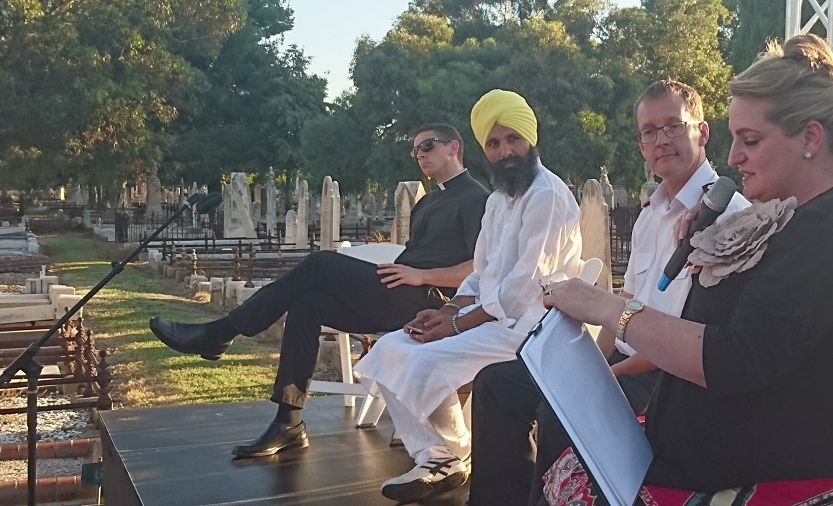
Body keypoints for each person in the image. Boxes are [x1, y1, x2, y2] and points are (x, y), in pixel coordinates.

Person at [540, 34, 833, 504]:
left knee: (573, 479)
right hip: (692, 444)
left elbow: (734, 357)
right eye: (735, 139)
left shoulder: (821, 232)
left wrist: (606, 305)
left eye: (751, 140)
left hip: (750, 468)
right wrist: (714, 252)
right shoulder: (786, 217)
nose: (734, 158)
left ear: (811, 139)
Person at [465, 80, 750, 506]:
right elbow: (625, 306)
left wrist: (602, 378)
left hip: (668, 374)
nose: (661, 140)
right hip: (624, 355)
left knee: (559, 414)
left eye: (673, 126)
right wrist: (589, 363)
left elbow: (685, 341)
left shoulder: (726, 216)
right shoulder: (650, 216)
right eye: (649, 132)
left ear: (702, 132)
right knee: (495, 385)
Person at [149, 123, 489, 459]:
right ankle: (289, 422)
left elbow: (480, 266)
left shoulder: (478, 199)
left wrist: (420, 275)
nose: (420, 155)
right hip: (395, 292)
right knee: (307, 304)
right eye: (415, 150)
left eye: (427, 146)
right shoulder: (427, 203)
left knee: (320, 264)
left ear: (453, 148)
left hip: (432, 304)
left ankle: (220, 332)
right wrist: (407, 271)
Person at [353, 89, 583, 503]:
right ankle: (439, 455)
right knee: (393, 346)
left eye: (513, 139)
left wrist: (457, 325)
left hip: (533, 328)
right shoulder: (498, 200)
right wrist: (444, 312)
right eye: (494, 143)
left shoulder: (546, 195)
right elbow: (482, 272)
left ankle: (448, 455)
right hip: (493, 319)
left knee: (425, 357)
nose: (505, 151)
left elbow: (524, 287)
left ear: (531, 138)